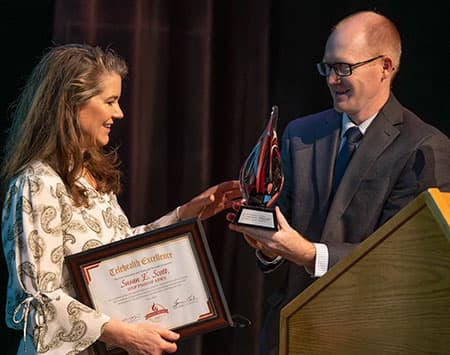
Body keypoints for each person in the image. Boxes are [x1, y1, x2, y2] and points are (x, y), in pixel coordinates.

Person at [228, 10, 450, 355]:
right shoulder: (301, 134)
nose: (332, 79)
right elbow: (280, 231)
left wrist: (307, 253)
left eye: (344, 67)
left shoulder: (424, 147)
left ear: (386, 67)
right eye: (327, 67)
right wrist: (267, 246)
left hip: (371, 338)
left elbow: (405, 263)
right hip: (291, 332)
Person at [1, 43, 241, 355]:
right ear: (72, 103)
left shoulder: (90, 176)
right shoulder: (37, 183)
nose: (119, 112)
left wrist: (185, 215)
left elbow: (120, 255)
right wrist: (124, 335)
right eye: (110, 101)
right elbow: (39, 299)